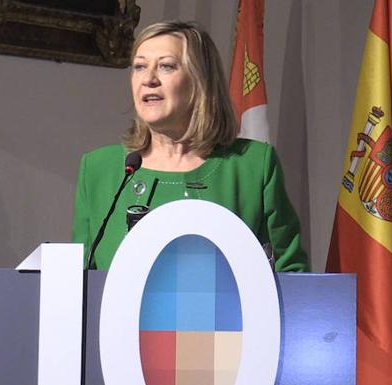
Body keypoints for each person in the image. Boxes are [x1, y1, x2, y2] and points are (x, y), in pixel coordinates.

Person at [72, 20, 306, 271]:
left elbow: (292, 273)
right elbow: (78, 282)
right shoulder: (98, 169)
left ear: (199, 81)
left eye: (166, 66)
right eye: (139, 67)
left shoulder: (253, 165)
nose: (148, 79)